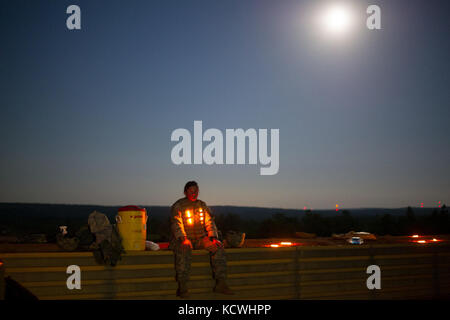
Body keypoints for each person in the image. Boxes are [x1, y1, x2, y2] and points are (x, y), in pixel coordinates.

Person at [169, 181, 234, 298]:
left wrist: (213, 237)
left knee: (217, 247)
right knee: (183, 249)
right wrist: (183, 238)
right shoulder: (178, 205)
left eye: (196, 191)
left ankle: (221, 283)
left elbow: (210, 222)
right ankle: (182, 286)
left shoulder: (202, 205)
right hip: (183, 238)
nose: (194, 193)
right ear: (185, 192)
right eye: (191, 191)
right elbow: (176, 222)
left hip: (200, 238)